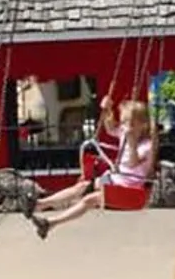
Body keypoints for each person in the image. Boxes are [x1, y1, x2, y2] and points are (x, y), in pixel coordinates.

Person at [27, 96, 154, 239]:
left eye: (128, 123)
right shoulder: (125, 133)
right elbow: (110, 128)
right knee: (82, 187)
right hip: (116, 180)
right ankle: (39, 204)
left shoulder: (147, 146)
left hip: (130, 191)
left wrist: (132, 143)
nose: (123, 126)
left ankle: (50, 223)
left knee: (89, 200)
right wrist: (107, 109)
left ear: (142, 125)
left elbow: (132, 163)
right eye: (123, 122)